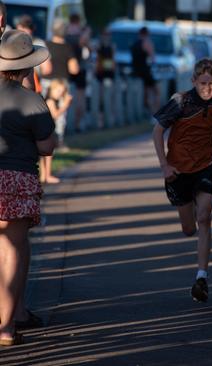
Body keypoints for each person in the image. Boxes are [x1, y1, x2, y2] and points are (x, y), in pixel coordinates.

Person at [152, 58, 212, 303]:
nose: (207, 88)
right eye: (203, 83)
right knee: (189, 229)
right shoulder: (181, 101)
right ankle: (192, 215)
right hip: (178, 170)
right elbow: (157, 131)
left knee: (204, 217)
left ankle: (202, 277)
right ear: (194, 81)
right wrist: (164, 165)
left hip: (206, 167)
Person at [0, 29, 56, 346]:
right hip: (16, 178)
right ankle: (7, 327)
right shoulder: (31, 100)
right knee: (12, 251)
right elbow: (47, 146)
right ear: (25, 66)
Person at [41, 19, 79, 150]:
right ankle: (59, 141)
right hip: (61, 84)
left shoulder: (45, 45)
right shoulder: (68, 48)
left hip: (46, 82)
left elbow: (44, 67)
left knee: (45, 112)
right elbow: (74, 69)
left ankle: (45, 138)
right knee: (61, 115)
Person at [41, 79, 72, 184]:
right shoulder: (50, 101)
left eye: (62, 92)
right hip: (46, 129)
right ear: (52, 89)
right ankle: (47, 175)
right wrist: (65, 105)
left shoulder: (53, 100)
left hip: (47, 128)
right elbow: (55, 115)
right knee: (48, 153)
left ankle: (44, 175)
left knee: (45, 153)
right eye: (58, 91)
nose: (60, 94)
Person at [131, 26, 159, 113]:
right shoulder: (147, 43)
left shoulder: (135, 43)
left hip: (136, 71)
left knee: (143, 93)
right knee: (156, 92)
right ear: (147, 34)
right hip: (145, 71)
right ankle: (154, 113)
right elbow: (153, 58)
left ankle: (144, 111)